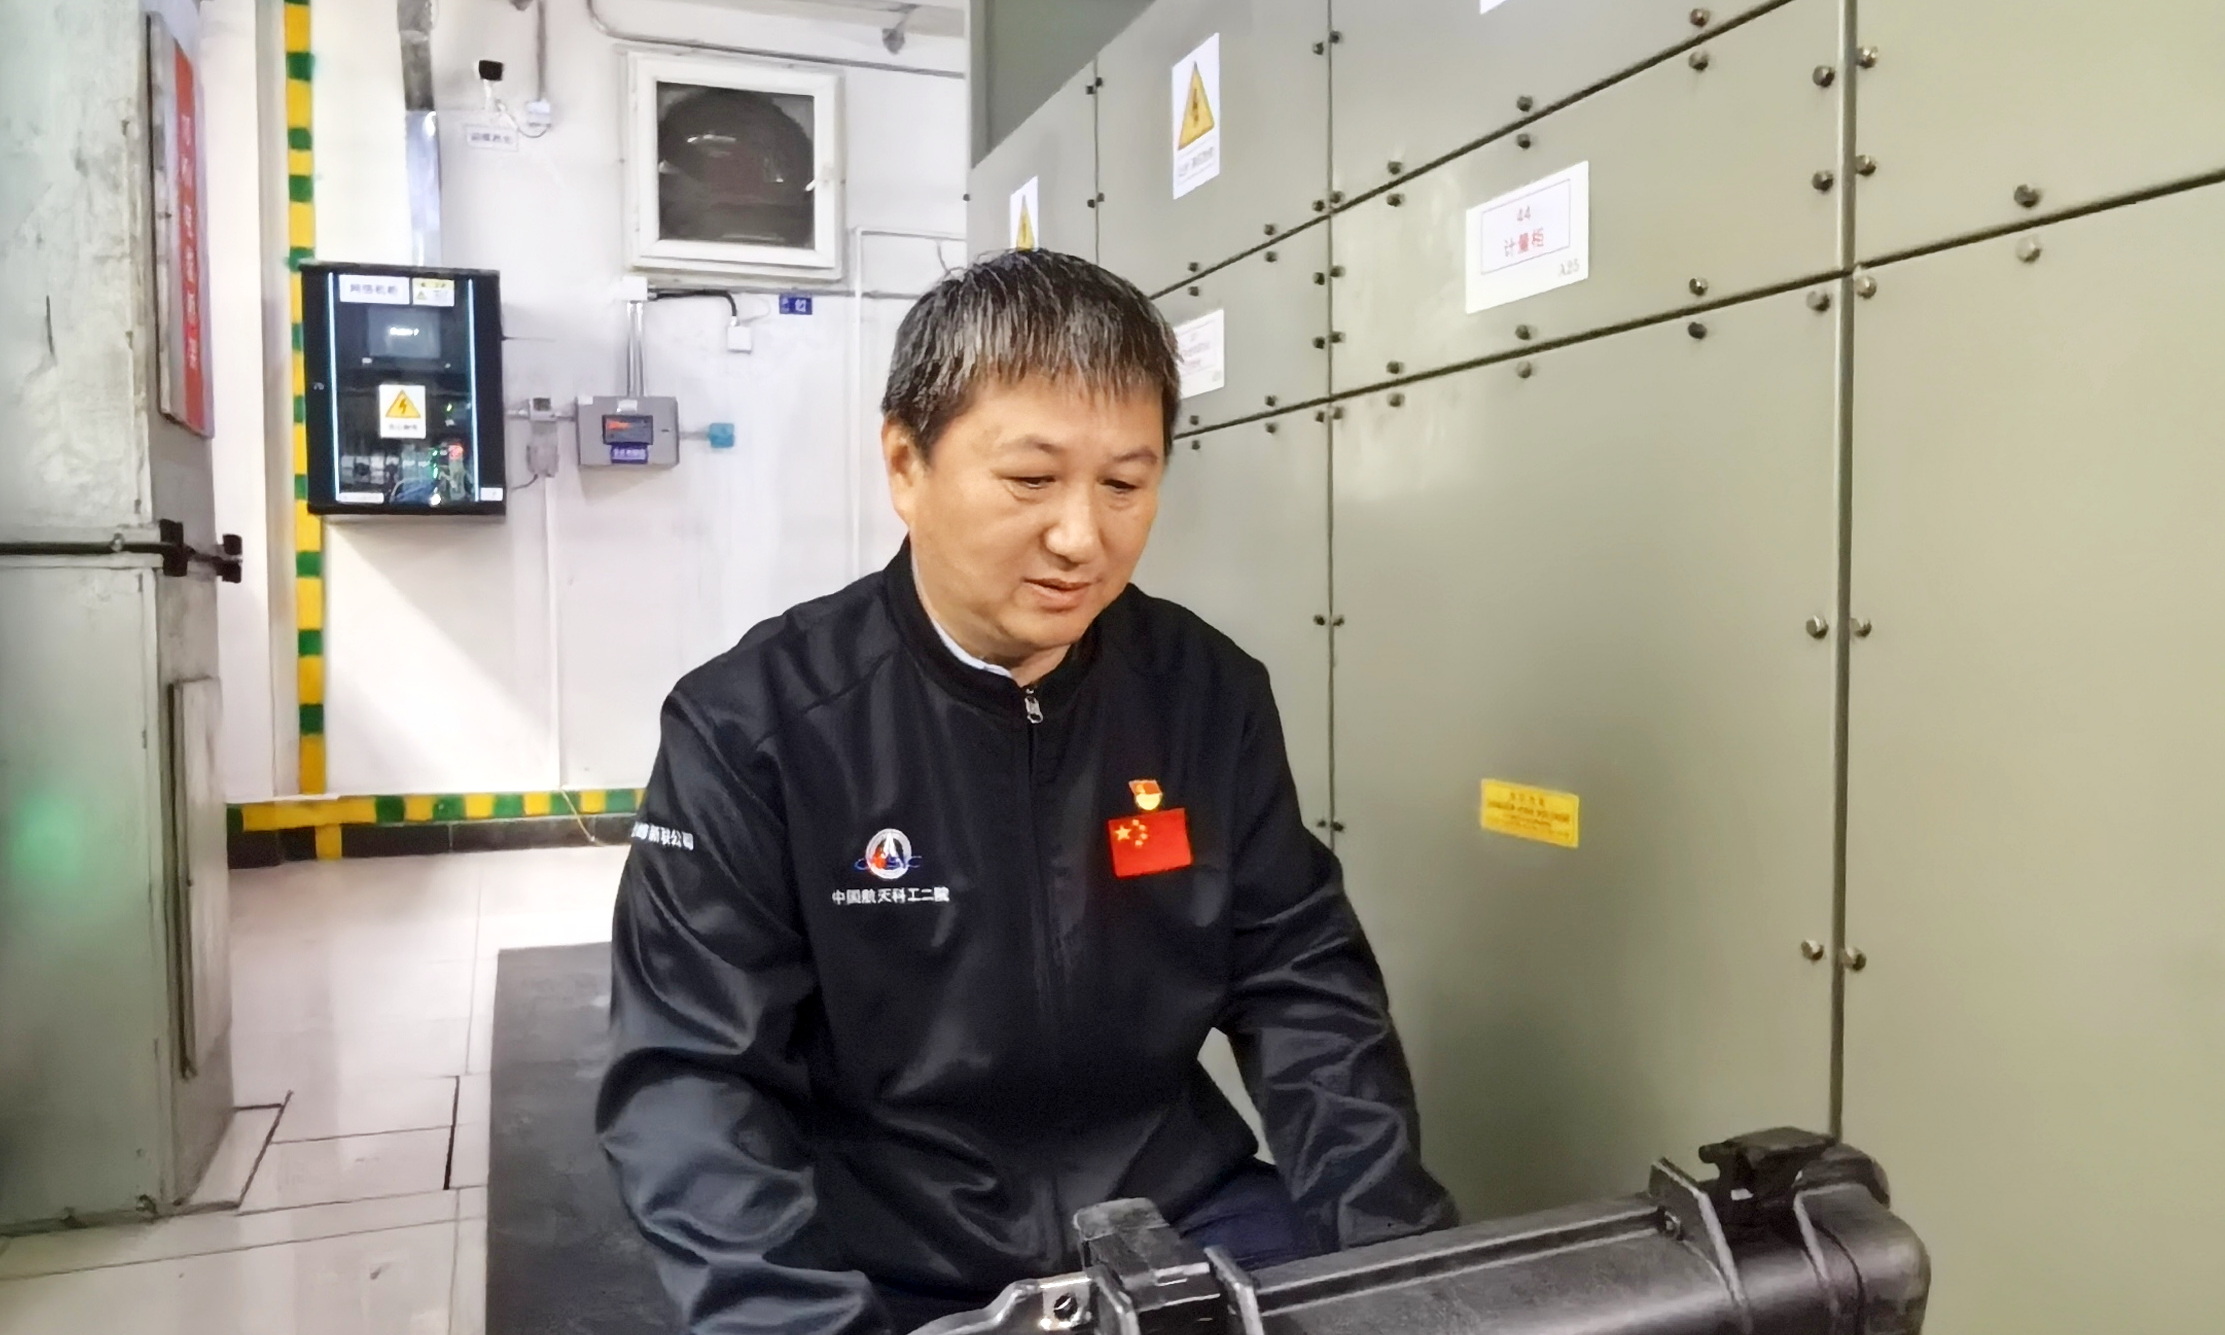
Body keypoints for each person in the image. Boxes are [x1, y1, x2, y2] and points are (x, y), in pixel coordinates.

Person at [597, 249, 1456, 1335]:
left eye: (1124, 485)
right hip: (885, 1256)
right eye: (1031, 480)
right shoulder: (753, 726)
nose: (1080, 538)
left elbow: (1303, 986)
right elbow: (690, 1077)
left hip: (1176, 1212)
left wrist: (1395, 1263)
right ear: (905, 463)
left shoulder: (1204, 692)